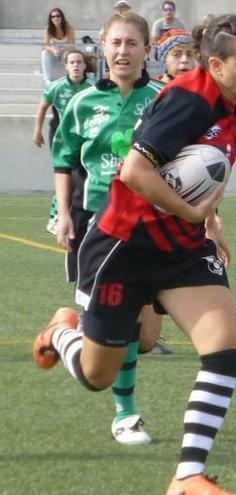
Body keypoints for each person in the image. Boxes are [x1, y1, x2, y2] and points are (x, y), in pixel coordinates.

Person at [33, 12, 236, 494]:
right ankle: (59, 332)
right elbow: (135, 172)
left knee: (225, 350)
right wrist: (193, 214)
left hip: (181, 247)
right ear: (217, 66)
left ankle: (188, 476)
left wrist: (210, 224)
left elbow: (203, 174)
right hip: (125, 245)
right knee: (97, 375)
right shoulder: (187, 101)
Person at [44, 11, 167, 446]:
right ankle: (126, 416)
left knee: (149, 338)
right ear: (102, 46)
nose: (123, 51)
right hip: (100, 225)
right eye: (115, 43)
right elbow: (64, 162)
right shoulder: (80, 103)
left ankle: (62, 330)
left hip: (152, 224)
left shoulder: (162, 98)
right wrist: (62, 215)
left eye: (132, 43)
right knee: (126, 331)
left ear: (146, 49)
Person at [32, 49, 95, 236]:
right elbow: (43, 106)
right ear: (66, 66)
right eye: (72, 62)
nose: (76, 65)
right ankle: (56, 217)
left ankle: (84, 213)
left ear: (85, 66)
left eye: (79, 62)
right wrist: (37, 130)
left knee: (82, 174)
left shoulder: (94, 87)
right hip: (60, 135)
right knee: (64, 173)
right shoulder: (56, 87)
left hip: (84, 136)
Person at [41, 8, 75, 84]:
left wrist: (62, 50)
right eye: (53, 17)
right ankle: (48, 79)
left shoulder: (68, 27)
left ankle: (69, 78)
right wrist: (53, 50)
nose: (55, 18)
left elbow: (72, 44)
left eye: (58, 16)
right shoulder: (48, 28)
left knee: (69, 54)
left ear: (62, 17)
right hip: (54, 52)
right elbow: (45, 45)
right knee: (44, 53)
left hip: (66, 51)